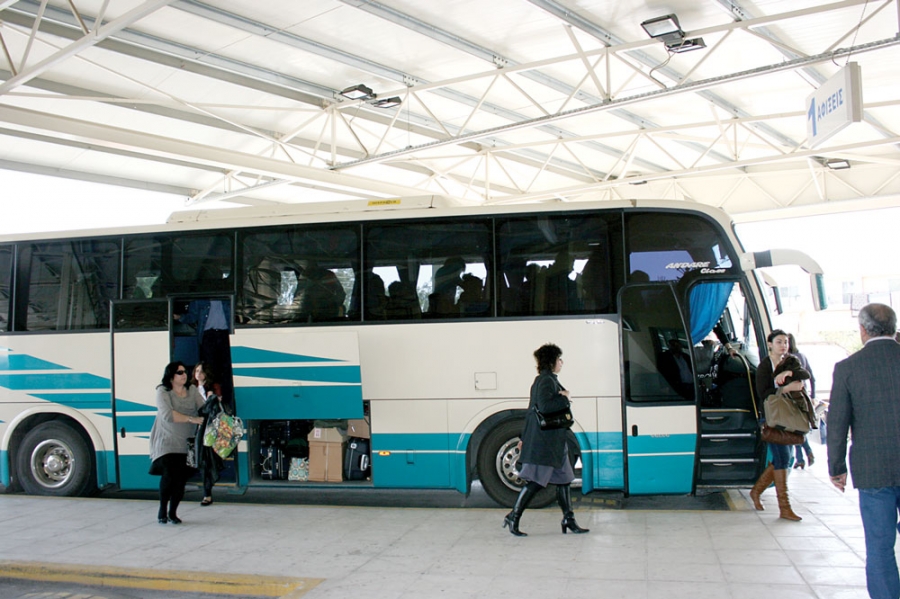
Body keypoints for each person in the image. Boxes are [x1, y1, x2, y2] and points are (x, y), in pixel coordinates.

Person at [828, 303, 900, 599]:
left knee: (880, 547)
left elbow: (837, 423)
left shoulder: (848, 368)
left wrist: (837, 468)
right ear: (894, 327)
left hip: (873, 470)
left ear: (862, 330)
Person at [503, 343, 589, 536]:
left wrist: (524, 437)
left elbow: (531, 411)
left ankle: (568, 519)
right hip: (546, 442)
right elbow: (544, 407)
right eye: (559, 359)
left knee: (564, 480)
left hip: (555, 441)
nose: (561, 362)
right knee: (535, 482)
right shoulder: (546, 381)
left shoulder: (546, 380)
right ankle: (513, 516)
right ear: (551, 362)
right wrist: (564, 397)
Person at [748, 329, 806, 521]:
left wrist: (790, 372)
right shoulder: (764, 366)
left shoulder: (790, 361)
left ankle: (757, 491)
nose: (783, 345)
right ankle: (784, 507)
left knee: (783, 458)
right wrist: (785, 388)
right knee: (783, 458)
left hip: (788, 417)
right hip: (771, 417)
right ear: (770, 344)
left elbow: (804, 373)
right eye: (779, 342)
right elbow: (763, 393)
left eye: (786, 342)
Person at [149, 361, 205, 524]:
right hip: (166, 441)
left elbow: (203, 408)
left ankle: (173, 512)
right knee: (169, 475)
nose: (184, 375)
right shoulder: (163, 391)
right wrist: (192, 419)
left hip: (186, 443)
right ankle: (162, 510)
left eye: (185, 371)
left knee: (180, 480)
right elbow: (167, 415)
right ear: (171, 376)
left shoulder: (192, 390)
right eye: (180, 372)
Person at [175, 299, 234, 414]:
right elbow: (192, 317)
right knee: (209, 371)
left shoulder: (226, 298)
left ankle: (227, 403)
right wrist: (179, 317)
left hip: (225, 335)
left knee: (228, 371)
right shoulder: (200, 299)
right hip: (208, 336)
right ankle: (211, 403)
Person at [193, 361, 227, 507]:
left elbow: (218, 407)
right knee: (202, 461)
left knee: (208, 460)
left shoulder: (214, 387)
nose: (198, 374)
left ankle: (207, 493)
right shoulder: (191, 389)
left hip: (210, 429)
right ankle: (206, 493)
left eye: (201, 371)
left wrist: (212, 398)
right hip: (195, 428)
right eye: (196, 371)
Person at [786, 334, 817, 469]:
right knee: (797, 428)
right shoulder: (802, 356)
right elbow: (812, 378)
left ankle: (806, 453)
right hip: (803, 396)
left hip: (791, 397)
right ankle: (800, 458)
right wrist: (813, 396)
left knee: (794, 429)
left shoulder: (788, 359)